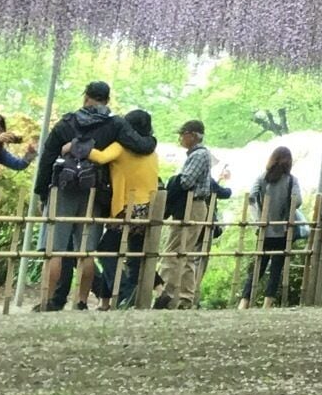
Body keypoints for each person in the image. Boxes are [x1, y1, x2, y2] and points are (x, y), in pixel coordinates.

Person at [35, 81, 125, 311]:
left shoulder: (67, 122)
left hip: (63, 187)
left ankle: (46, 299)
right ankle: (82, 301)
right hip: (93, 189)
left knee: (54, 249)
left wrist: (41, 190)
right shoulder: (113, 125)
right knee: (87, 252)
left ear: (86, 97)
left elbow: (47, 156)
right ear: (107, 100)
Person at [89, 109, 161, 308]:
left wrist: (77, 146)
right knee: (136, 253)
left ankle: (124, 291)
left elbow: (101, 157)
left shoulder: (120, 147)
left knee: (106, 250)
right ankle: (132, 296)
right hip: (148, 207)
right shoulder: (152, 152)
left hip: (128, 206)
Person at [159, 120, 228, 308]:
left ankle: (164, 293)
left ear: (193, 135)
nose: (181, 138)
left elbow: (186, 181)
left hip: (192, 206)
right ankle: (185, 298)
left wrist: (173, 182)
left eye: (183, 134)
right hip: (196, 206)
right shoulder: (200, 155)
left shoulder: (198, 155)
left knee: (174, 251)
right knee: (187, 254)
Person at [246, 147, 300, 303]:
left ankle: (245, 300)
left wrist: (259, 220)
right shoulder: (291, 180)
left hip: (264, 229)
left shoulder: (262, 178)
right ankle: (268, 301)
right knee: (276, 267)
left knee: (258, 265)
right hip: (283, 229)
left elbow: (252, 198)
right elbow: (297, 200)